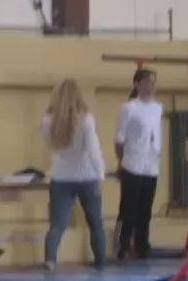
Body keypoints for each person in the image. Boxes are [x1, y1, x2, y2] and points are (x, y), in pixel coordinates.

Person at [41, 79, 107, 270]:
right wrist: (100, 174)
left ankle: (50, 260)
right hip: (87, 176)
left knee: (57, 224)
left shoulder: (47, 121)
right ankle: (100, 262)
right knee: (95, 223)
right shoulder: (86, 120)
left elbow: (51, 145)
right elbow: (93, 150)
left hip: (60, 177)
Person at [114, 68, 162, 260]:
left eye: (152, 83)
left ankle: (142, 245)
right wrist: (121, 161)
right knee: (129, 208)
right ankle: (124, 245)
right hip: (132, 163)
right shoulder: (128, 108)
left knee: (145, 209)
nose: (150, 86)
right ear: (137, 84)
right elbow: (119, 140)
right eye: (146, 82)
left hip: (151, 165)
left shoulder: (157, 108)